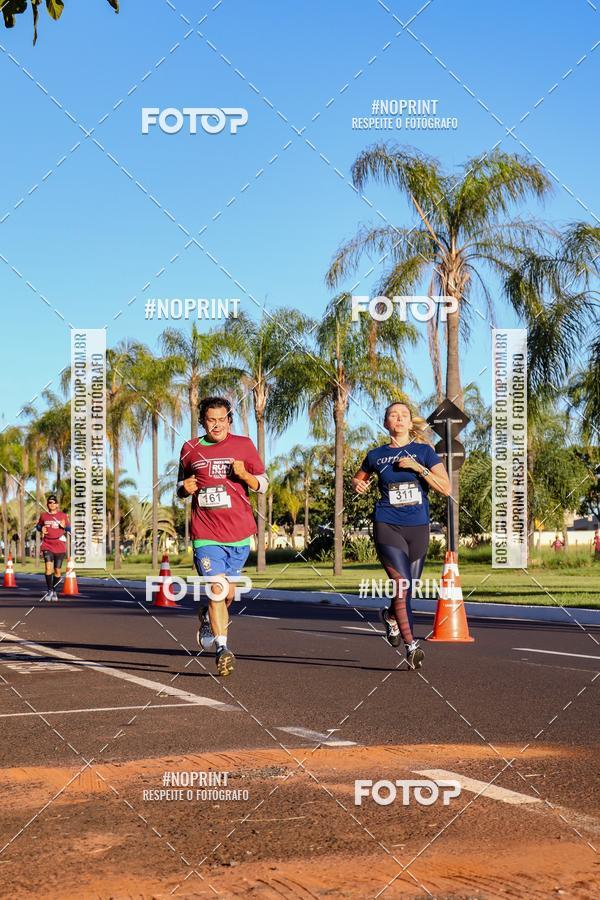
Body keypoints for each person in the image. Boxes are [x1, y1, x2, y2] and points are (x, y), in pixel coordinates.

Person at [352, 401, 451, 669]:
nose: (398, 418)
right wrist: (358, 484)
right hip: (387, 524)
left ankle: (390, 617)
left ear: (409, 422)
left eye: (403, 415)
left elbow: (446, 488)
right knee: (402, 585)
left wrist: (419, 468)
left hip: (418, 527)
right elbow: (357, 478)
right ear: (386, 423)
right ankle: (412, 646)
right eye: (393, 415)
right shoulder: (376, 455)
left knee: (409, 589)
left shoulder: (424, 452)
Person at [176, 396, 268, 676]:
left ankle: (207, 615)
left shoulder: (244, 445)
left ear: (229, 420)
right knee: (217, 589)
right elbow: (180, 487)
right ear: (202, 422)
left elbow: (263, 484)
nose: (216, 425)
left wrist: (245, 475)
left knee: (227, 593)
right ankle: (222, 648)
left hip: (239, 534)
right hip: (205, 533)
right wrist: (184, 489)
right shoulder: (190, 448)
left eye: (222, 420)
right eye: (210, 420)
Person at [36, 494, 71, 602]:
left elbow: (69, 529)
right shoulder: (44, 516)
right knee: (48, 568)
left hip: (59, 545)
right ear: (47, 504)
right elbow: (38, 526)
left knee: (57, 570)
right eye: (49, 502)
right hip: (47, 544)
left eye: (53, 502)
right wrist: (41, 528)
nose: (51, 504)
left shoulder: (63, 516)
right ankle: (49, 590)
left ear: (57, 505)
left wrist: (64, 526)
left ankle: (55, 590)